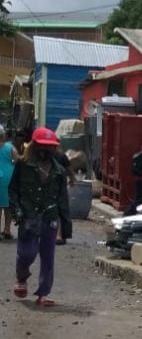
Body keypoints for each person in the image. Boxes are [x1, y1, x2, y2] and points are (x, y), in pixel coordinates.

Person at [9, 127, 69, 306]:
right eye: (43, 146)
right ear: (35, 145)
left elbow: (63, 199)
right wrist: (17, 211)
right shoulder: (22, 165)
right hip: (28, 215)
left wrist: (65, 226)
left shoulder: (59, 171)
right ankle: (22, 276)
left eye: (50, 146)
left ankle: (43, 293)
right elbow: (13, 190)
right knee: (27, 253)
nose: (47, 150)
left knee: (48, 256)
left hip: (49, 216)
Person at [0, 127, 16, 239]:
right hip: (8, 178)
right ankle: (7, 229)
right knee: (8, 206)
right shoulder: (10, 147)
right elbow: (16, 159)